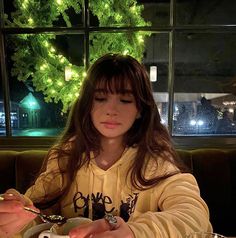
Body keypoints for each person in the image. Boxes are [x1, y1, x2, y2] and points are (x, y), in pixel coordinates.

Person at [0, 53, 212, 238]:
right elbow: (36, 215)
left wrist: (134, 232)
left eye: (125, 100)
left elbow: (194, 215)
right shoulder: (66, 156)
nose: (111, 110)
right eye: (100, 98)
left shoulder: (155, 160)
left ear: (140, 109)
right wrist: (17, 218)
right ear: (87, 105)